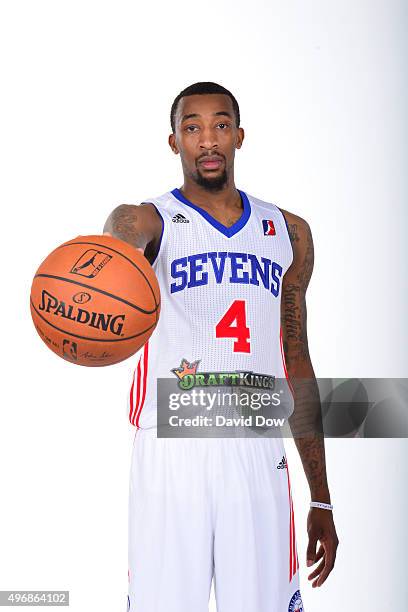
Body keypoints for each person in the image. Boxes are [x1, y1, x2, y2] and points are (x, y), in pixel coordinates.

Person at [104, 81, 338, 612]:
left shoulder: (287, 232)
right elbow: (122, 230)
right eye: (192, 127)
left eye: (220, 125)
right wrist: (113, 253)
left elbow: (296, 359)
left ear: (239, 136)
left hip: (256, 447)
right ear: (174, 142)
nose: (207, 140)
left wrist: (320, 495)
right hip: (170, 445)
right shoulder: (154, 220)